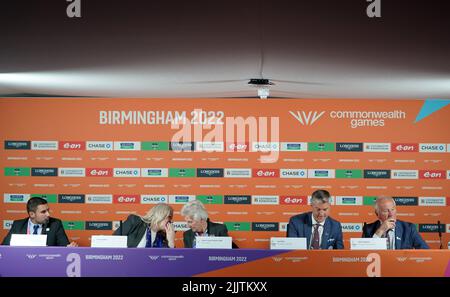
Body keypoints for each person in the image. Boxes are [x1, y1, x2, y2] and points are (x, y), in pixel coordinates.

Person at [2, 197, 78, 247]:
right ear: (32, 214)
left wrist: (69, 248)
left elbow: (64, 246)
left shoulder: (55, 224)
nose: (48, 214)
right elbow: (4, 247)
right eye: (43, 212)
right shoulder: (18, 225)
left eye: (48, 210)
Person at [362, 196, 429, 249]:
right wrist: (380, 231)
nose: (391, 214)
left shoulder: (409, 228)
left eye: (393, 209)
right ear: (377, 214)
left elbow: (425, 251)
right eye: (386, 211)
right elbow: (364, 255)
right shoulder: (368, 229)